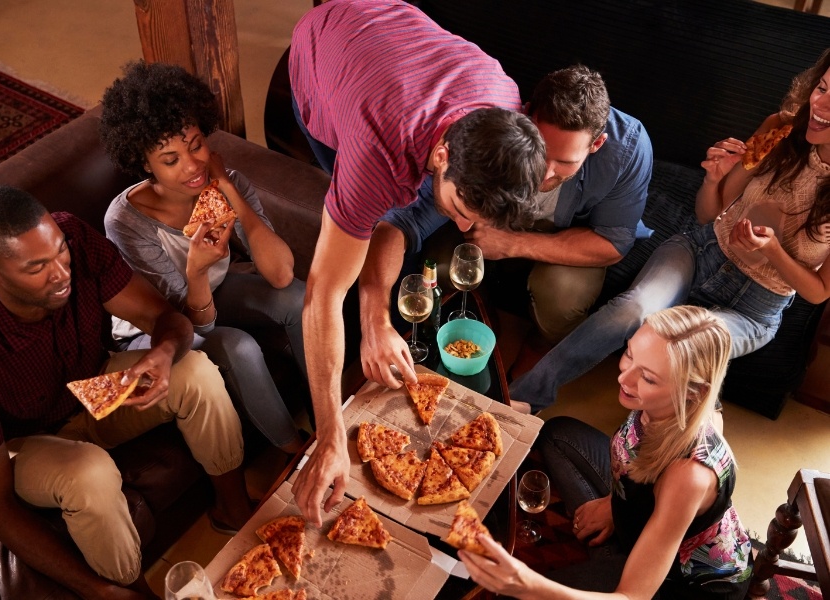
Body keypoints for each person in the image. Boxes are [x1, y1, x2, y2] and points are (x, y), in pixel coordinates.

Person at [287, 0, 547, 525]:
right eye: (461, 212)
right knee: (357, 217)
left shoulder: (507, 106)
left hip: (394, 28)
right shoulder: (373, 156)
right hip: (324, 48)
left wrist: (378, 318)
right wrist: (330, 435)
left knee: (387, 220)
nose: (464, 231)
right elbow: (320, 294)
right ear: (445, 155)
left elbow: (400, 223)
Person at [0, 186, 253, 599]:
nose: (61, 272)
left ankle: (235, 511)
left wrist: (163, 351)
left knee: (194, 369)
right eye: (36, 268)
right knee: (90, 472)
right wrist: (94, 590)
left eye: (59, 251)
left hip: (93, 389)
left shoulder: (76, 240)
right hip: (24, 444)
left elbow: (165, 318)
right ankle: (132, 589)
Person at [509, 47, 830, 413]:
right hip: (699, 252)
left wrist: (772, 250)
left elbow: (819, 291)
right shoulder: (780, 128)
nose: (819, 106)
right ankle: (520, 399)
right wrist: (712, 180)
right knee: (630, 312)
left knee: (676, 346)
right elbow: (708, 213)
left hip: (754, 309)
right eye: (821, 88)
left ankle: (660, 456)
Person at [461, 305, 753, 599]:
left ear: (693, 392)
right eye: (629, 354)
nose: (623, 379)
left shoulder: (689, 476)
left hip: (679, 583)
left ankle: (615, 561)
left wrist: (526, 585)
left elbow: (633, 597)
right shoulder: (690, 400)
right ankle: (611, 553)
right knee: (557, 435)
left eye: (649, 379)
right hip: (640, 510)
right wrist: (613, 502)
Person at [371, 64, 653, 358]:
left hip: (569, 234)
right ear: (526, 118)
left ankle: (540, 346)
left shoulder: (629, 150)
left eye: (565, 162)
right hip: (489, 223)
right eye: (541, 152)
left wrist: (512, 244)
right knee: (442, 266)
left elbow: (613, 244)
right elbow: (407, 218)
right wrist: (377, 321)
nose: (544, 174)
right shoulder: (494, 124)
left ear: (596, 144)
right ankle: (485, 323)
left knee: (562, 296)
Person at [99, 60, 308, 456]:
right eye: (171, 159)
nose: (193, 166)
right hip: (162, 325)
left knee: (299, 298)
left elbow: (281, 274)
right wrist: (196, 270)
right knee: (239, 346)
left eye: (195, 145)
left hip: (214, 289)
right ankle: (294, 454)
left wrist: (228, 187)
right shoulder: (127, 221)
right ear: (145, 164)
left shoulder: (221, 183)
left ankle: (330, 418)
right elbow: (192, 319)